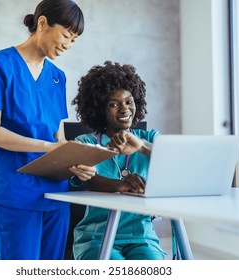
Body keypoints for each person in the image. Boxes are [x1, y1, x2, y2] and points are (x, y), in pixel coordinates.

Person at [0, 0, 96, 260]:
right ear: (42, 23)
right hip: (15, 190)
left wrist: (74, 162)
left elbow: (58, 137)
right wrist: (49, 148)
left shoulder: (57, 77)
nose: (67, 45)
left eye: (74, 40)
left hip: (55, 192)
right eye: (65, 35)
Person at [70, 61, 167, 260]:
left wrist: (141, 146)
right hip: (96, 236)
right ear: (99, 109)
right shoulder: (86, 142)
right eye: (114, 104)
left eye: (129, 101)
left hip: (142, 238)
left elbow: (174, 161)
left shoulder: (149, 139)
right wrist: (122, 185)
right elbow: (90, 181)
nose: (125, 110)